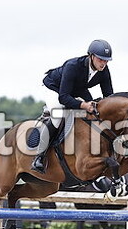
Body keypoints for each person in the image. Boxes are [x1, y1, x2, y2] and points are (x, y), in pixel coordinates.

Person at [31, 39, 114, 172]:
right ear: (91, 56)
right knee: (58, 116)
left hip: (77, 88)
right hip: (54, 88)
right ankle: (38, 157)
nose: (103, 63)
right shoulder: (73, 66)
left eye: (106, 60)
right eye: (100, 60)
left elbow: (109, 96)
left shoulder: (103, 70)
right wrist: (84, 105)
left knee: (94, 113)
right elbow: (63, 98)